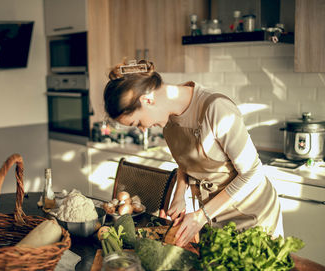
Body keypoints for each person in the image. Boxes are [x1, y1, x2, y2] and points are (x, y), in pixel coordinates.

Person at [103, 59, 284, 247]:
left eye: (137, 122)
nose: (142, 129)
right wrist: (179, 195)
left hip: (252, 217)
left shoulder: (216, 109)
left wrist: (202, 215)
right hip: (212, 218)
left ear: (147, 99)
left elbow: (252, 173)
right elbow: (186, 162)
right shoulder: (167, 117)